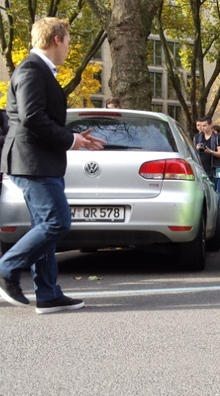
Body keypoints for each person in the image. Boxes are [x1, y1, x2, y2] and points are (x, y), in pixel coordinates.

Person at [0, 17, 105, 313]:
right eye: (69, 41)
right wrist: (70, 139)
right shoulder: (32, 70)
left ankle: (47, 294)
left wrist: (74, 139)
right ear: (57, 39)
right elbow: (33, 117)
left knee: (44, 225)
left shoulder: (39, 70)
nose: (69, 47)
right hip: (32, 162)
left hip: (40, 161)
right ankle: (6, 267)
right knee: (57, 221)